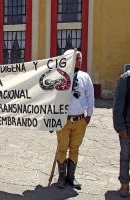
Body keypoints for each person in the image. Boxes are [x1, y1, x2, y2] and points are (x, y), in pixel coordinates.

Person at [56, 50, 94, 190]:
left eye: (80, 58)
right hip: (63, 120)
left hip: (80, 120)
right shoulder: (60, 76)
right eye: (76, 57)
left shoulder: (85, 77)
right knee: (62, 148)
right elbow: (54, 97)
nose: (78, 60)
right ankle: (61, 177)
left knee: (74, 148)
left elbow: (90, 97)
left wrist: (89, 115)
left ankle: (71, 177)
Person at [113, 70, 130, 197]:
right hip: (127, 128)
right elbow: (118, 106)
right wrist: (120, 127)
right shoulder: (125, 79)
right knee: (125, 157)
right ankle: (125, 186)